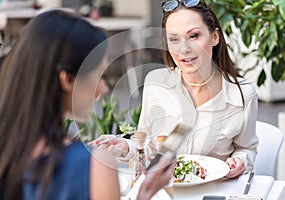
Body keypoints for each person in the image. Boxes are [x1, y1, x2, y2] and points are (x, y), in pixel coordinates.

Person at [0, 10, 175, 200]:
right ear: (67, 79)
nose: (104, 89)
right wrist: (146, 192)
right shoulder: (91, 165)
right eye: (99, 76)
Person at [96, 0, 258, 179]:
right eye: (174, 39)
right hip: (167, 191)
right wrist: (126, 147)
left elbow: (246, 148)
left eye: (194, 36)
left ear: (215, 37)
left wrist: (240, 160)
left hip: (214, 192)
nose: (184, 49)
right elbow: (149, 146)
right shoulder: (155, 83)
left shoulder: (242, 94)